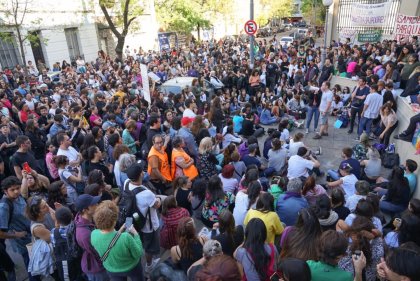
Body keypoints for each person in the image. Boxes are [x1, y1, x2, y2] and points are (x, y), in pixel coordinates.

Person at [91, 200, 144, 281]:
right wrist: (135, 234)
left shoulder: (94, 234)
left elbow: (110, 239)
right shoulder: (126, 237)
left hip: (112, 269)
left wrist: (119, 231)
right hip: (132, 267)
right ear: (114, 221)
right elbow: (138, 253)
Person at [124, 162, 161, 275]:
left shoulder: (126, 183)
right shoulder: (147, 193)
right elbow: (157, 205)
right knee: (149, 247)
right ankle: (149, 266)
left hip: (134, 221)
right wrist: (158, 199)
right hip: (148, 225)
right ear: (140, 175)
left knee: (140, 240)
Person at [0, 176, 31, 280]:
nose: (16, 191)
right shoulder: (4, 207)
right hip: (23, 242)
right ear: (5, 191)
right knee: (31, 266)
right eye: (12, 190)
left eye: (18, 188)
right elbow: (1, 233)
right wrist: (17, 235)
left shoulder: (18, 197)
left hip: (31, 235)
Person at [74, 194, 109, 281]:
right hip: (97, 269)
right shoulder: (85, 234)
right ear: (85, 210)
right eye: (93, 204)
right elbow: (97, 253)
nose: (97, 205)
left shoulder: (86, 218)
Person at [338, 216, 384, 281]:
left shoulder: (344, 252)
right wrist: (377, 234)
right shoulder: (379, 248)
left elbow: (339, 223)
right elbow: (380, 239)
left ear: (353, 235)